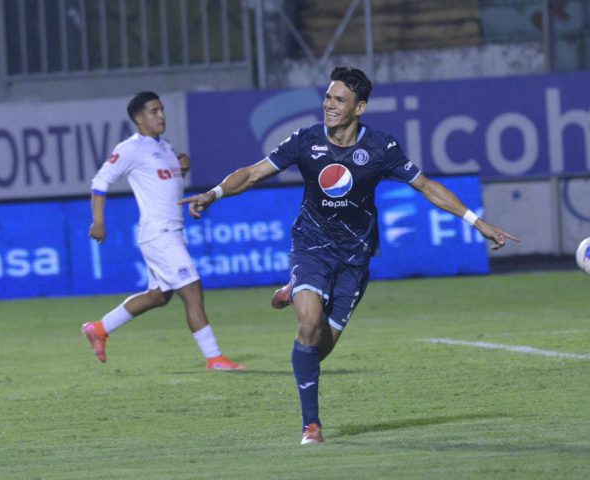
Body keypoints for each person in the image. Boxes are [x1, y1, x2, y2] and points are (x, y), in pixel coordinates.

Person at [180, 67, 520, 444]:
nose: (329, 104)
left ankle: (296, 291)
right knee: (308, 325)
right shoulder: (306, 140)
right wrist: (212, 194)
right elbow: (253, 173)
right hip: (311, 245)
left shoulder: (381, 148)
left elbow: (426, 187)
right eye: (327, 97)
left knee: (317, 350)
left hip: (355, 259)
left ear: (360, 107)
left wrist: (477, 222)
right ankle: (311, 424)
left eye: (339, 99)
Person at [82, 91, 246, 372]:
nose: (161, 116)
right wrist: (98, 221)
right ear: (138, 118)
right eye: (153, 111)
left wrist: (182, 168)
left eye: (162, 110)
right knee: (192, 291)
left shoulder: (166, 147)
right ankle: (215, 358)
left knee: (159, 296)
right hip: (159, 233)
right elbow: (100, 181)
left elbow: (163, 186)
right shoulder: (130, 148)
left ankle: (99, 327)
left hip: (172, 232)